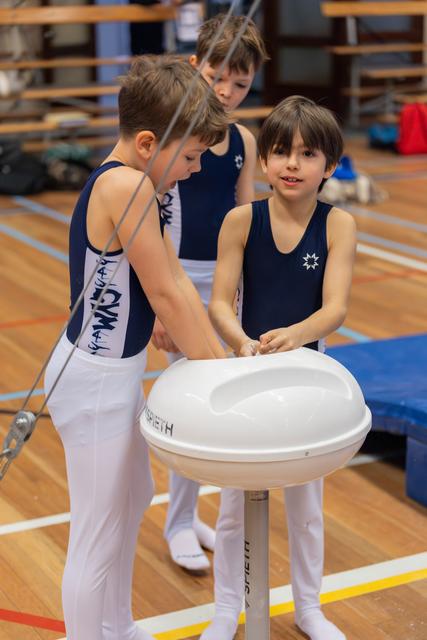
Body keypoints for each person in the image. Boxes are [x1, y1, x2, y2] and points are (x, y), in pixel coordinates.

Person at [44, 55, 229, 640]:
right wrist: (222, 375)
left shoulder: (131, 178)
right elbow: (170, 291)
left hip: (110, 373)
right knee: (97, 530)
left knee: (132, 501)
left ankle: (117, 626)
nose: (196, 170)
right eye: (193, 155)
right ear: (149, 142)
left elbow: (162, 281)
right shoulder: (126, 185)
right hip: (93, 380)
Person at [206, 95, 356, 640]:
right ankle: (226, 608)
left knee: (306, 504)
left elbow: (335, 308)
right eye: (281, 153)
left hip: (307, 372)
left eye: (307, 154)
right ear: (263, 162)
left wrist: (295, 337)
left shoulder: (339, 224)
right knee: (231, 505)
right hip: (247, 368)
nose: (293, 164)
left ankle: (309, 607)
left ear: (329, 166)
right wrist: (241, 342)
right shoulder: (241, 220)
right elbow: (221, 302)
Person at [151, 14, 269, 572]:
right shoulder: (174, 131)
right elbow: (152, 218)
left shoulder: (244, 140)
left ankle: (187, 514)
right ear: (196, 66)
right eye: (217, 76)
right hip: (173, 279)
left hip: (222, 284)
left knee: (213, 400)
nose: (226, 91)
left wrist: (247, 290)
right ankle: (176, 521)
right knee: (186, 401)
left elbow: (245, 219)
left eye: (240, 84)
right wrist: (159, 300)